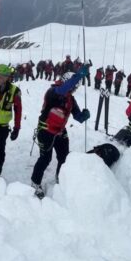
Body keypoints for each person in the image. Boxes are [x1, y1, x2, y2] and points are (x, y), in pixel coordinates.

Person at [30, 67, 91, 199]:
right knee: (45, 158)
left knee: (64, 158)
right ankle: (35, 183)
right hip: (46, 129)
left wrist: (84, 115)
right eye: (74, 85)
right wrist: (79, 75)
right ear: (66, 81)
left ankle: (61, 179)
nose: (74, 89)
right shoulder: (53, 91)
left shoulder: (71, 99)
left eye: (76, 87)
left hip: (60, 131)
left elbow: (78, 117)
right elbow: (62, 90)